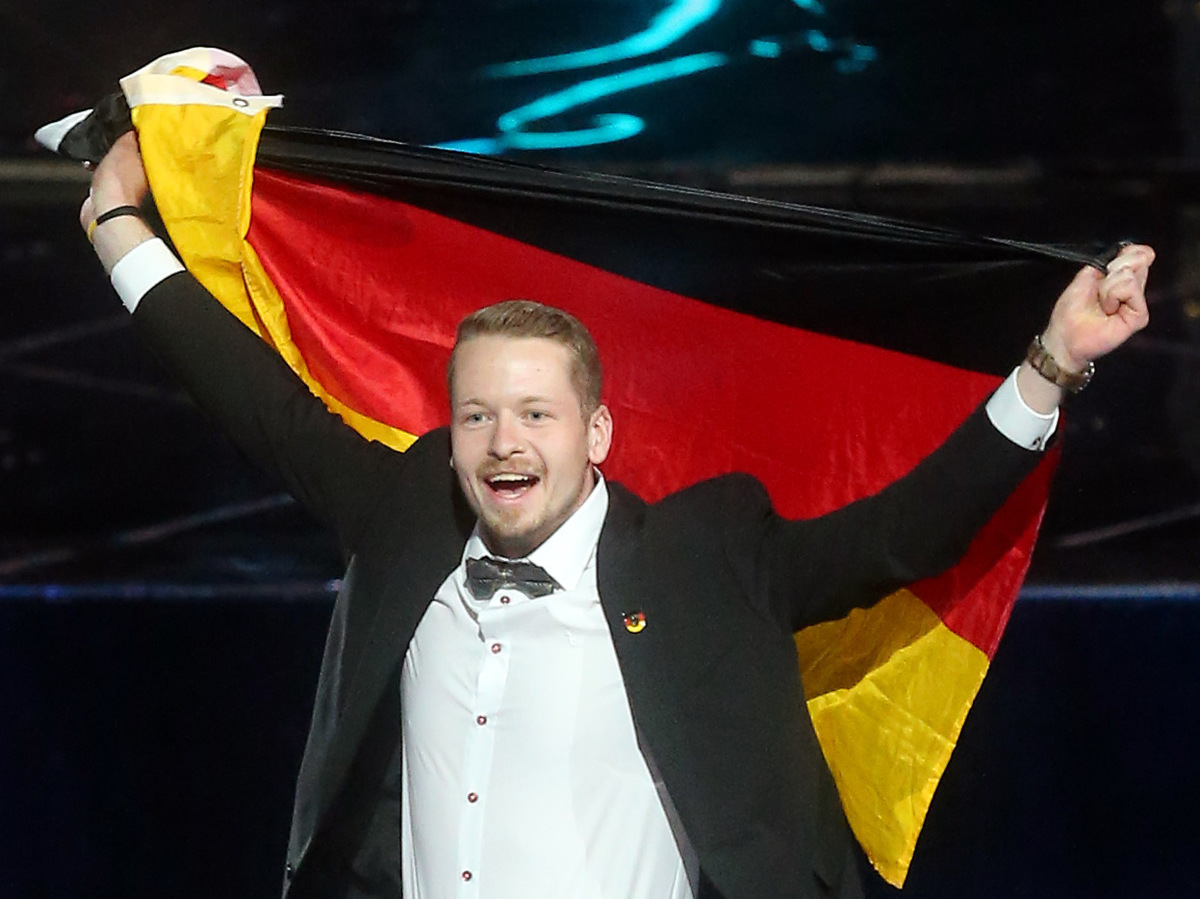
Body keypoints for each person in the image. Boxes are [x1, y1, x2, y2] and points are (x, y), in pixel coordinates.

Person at [81, 132, 1152, 899]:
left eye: (536, 413)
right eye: (479, 415)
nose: (506, 440)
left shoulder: (701, 554)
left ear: (596, 433)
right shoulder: (404, 517)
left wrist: (1051, 365)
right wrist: (117, 222)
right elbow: (254, 398)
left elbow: (900, 536)